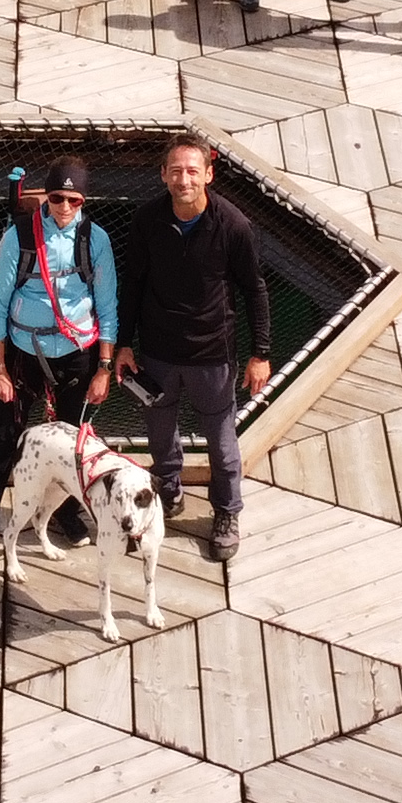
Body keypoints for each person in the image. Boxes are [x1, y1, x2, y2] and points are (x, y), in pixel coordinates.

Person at [0, 156, 118, 564]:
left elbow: (108, 306)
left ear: (84, 200)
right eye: (57, 198)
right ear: (47, 197)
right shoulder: (19, 237)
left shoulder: (97, 240)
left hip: (78, 355)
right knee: (0, 443)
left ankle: (66, 513)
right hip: (23, 354)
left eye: (74, 200)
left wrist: (105, 367)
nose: (65, 207)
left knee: (75, 445)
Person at [111, 138, 271, 564]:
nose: (184, 179)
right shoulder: (146, 220)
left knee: (222, 445)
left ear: (208, 175)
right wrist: (124, 344)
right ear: (163, 174)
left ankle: (226, 512)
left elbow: (254, 290)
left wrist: (261, 353)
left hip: (212, 355)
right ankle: (170, 489)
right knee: (161, 433)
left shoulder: (233, 225)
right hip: (158, 353)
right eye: (176, 171)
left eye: (193, 171)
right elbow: (133, 285)